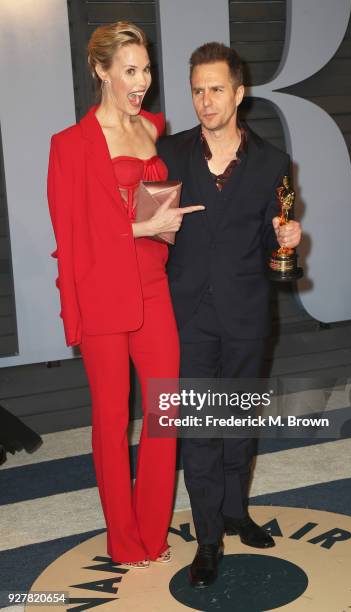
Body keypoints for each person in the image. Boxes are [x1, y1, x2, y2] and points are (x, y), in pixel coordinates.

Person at [47, 21, 203, 568]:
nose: (143, 82)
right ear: (101, 71)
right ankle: (124, 540)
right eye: (130, 71)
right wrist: (135, 230)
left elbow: (152, 206)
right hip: (102, 295)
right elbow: (70, 235)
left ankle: (154, 533)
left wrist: (161, 227)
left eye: (147, 70)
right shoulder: (70, 145)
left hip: (153, 286)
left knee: (165, 411)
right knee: (113, 422)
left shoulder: (153, 129)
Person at [157, 42, 302, 587]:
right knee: (200, 428)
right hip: (187, 313)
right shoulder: (168, 154)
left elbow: (277, 238)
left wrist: (288, 238)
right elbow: (150, 230)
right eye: (197, 90)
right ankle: (209, 537)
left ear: (239, 94)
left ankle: (237, 511)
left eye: (216, 89)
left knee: (238, 420)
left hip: (247, 312)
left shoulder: (272, 162)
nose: (205, 100)